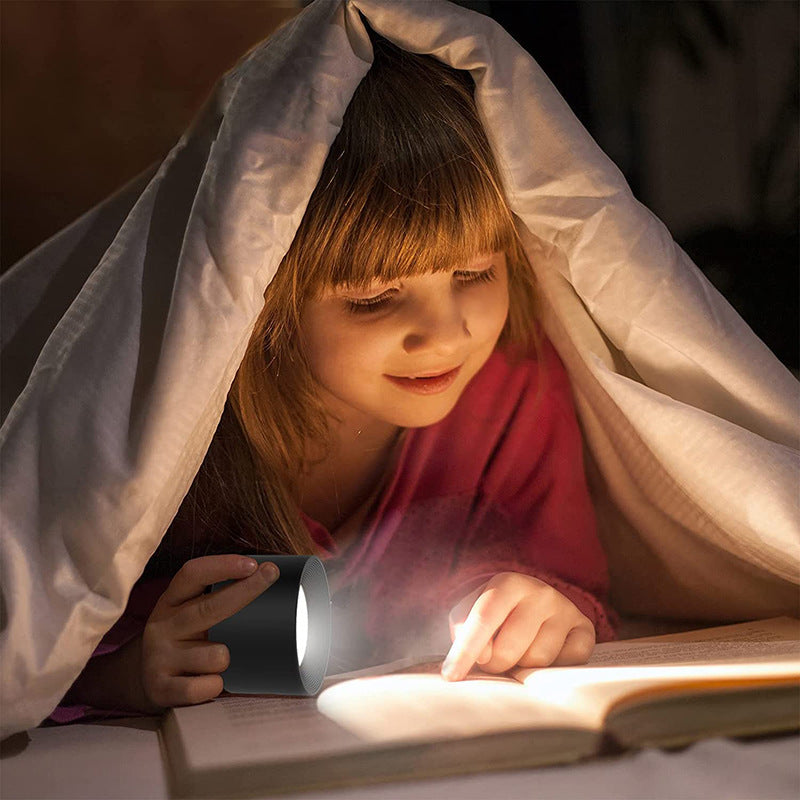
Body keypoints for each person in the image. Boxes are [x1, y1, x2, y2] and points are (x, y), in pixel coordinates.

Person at [50, 31, 615, 721]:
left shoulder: (513, 385)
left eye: (474, 274)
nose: (446, 333)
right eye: (375, 298)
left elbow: (568, 581)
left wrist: (542, 607)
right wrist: (124, 674)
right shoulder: (188, 417)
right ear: (267, 301)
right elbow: (41, 632)